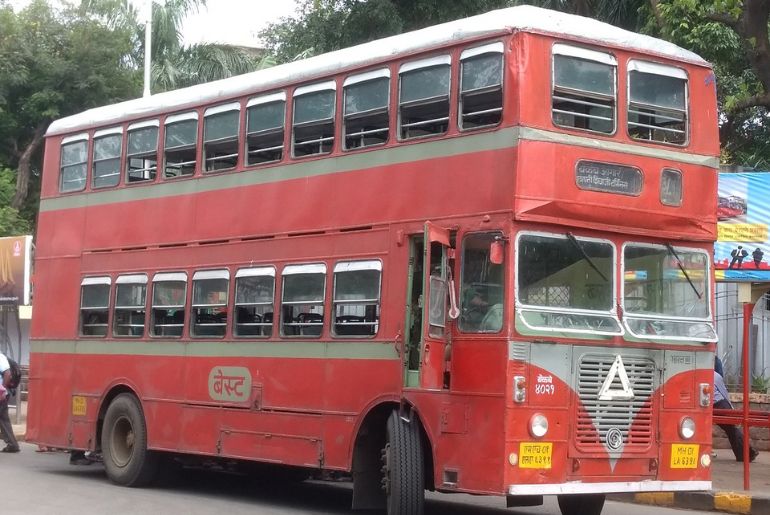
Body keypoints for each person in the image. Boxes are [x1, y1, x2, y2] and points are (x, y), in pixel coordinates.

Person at [713, 368, 758, 462]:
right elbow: (724, 393)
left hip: (715, 405)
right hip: (720, 404)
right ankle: (746, 452)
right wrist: (730, 407)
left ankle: (747, 452)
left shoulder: (710, 376)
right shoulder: (716, 376)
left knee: (731, 430)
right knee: (731, 430)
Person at [0, 351, 20, 453]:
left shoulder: (0, 357)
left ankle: (12, 444)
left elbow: (7, 373)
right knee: (3, 420)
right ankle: (12, 444)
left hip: (0, 394)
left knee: (3, 420)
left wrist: (2, 390)